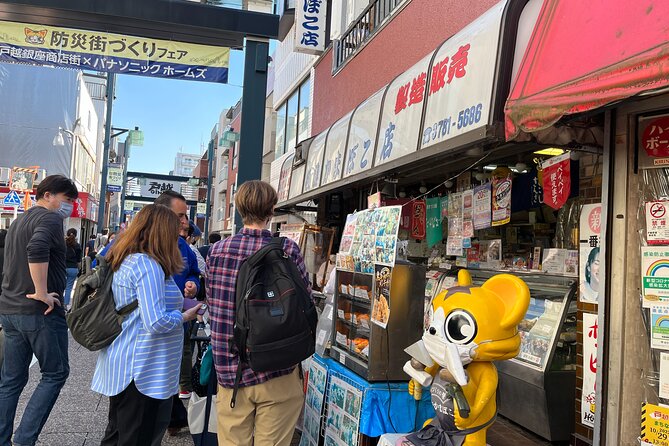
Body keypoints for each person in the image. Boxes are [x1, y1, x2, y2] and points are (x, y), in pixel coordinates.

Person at [208, 180, 312, 446]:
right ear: (272, 209)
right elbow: (305, 301)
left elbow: (213, 305)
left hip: (232, 369)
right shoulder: (287, 250)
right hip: (279, 367)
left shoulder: (217, 252)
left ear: (239, 208)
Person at [92, 204, 202, 446]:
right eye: (175, 231)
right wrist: (185, 316)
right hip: (143, 369)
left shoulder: (126, 258)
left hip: (125, 362)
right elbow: (155, 321)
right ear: (162, 232)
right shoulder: (148, 265)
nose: (178, 236)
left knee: (118, 433)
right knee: (139, 436)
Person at [0, 174, 78, 446]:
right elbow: (37, 248)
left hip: (10, 309)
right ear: (48, 195)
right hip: (39, 313)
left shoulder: (20, 220)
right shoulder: (50, 218)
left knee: (10, 381)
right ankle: (24, 439)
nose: (68, 206)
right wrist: (42, 292)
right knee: (56, 373)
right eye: (66, 199)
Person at [152, 191, 201, 434]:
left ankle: (170, 419)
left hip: (175, 323)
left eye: (185, 216)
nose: (185, 222)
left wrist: (193, 285)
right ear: (162, 213)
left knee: (168, 374)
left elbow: (194, 272)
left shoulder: (183, 246)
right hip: (146, 333)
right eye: (180, 216)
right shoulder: (139, 246)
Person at [63, 228, 82, 309]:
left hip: (62, 267)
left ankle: (58, 302)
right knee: (68, 288)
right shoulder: (77, 246)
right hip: (73, 268)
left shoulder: (62, 244)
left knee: (60, 285)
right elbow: (79, 260)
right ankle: (65, 305)